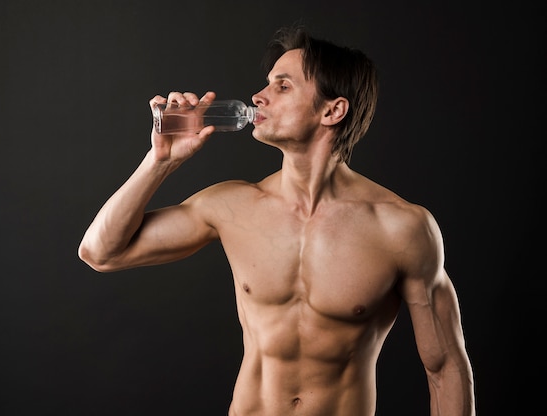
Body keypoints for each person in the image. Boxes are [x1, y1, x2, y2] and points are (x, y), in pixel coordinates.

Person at [78, 25, 476, 416]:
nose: (258, 96)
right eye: (267, 83)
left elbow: (445, 369)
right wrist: (159, 163)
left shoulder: (402, 229)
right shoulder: (233, 205)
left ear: (332, 110)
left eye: (282, 86)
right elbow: (101, 252)